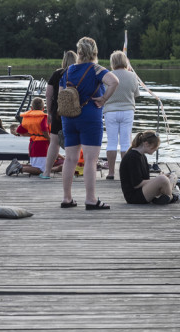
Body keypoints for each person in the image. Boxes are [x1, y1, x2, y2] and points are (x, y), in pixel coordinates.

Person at [60, 36, 119, 210]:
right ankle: (91, 199)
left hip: (69, 118)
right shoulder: (96, 69)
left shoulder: (69, 70)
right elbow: (114, 81)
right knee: (90, 160)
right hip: (90, 117)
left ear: (78, 52)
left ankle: (67, 198)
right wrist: (104, 98)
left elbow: (62, 93)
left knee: (69, 159)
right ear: (94, 52)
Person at [103, 50, 141, 180]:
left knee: (111, 143)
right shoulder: (132, 76)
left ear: (112, 62)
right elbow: (136, 94)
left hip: (110, 111)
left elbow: (103, 93)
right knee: (125, 143)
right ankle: (125, 173)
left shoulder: (108, 75)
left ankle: (111, 173)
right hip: (127, 111)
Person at [119, 130, 179, 205]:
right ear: (146, 144)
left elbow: (145, 180)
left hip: (143, 191)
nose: (156, 149)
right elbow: (137, 184)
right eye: (155, 147)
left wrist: (159, 178)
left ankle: (166, 197)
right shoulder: (132, 157)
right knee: (163, 179)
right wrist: (159, 179)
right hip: (134, 197)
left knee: (173, 176)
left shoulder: (143, 157)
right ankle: (170, 197)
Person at [43, 50, 77, 179]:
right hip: (74, 111)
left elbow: (49, 94)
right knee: (73, 142)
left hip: (58, 111)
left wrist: (49, 112)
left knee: (54, 142)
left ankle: (46, 172)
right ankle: (71, 171)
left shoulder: (57, 74)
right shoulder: (77, 74)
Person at [10, 97, 49, 176]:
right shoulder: (43, 117)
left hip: (32, 144)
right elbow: (44, 129)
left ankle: (17, 165)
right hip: (42, 145)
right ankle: (19, 168)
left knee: (35, 166)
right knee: (41, 170)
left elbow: (19, 131)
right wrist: (50, 139)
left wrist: (33, 134)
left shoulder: (27, 118)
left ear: (31, 108)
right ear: (43, 108)